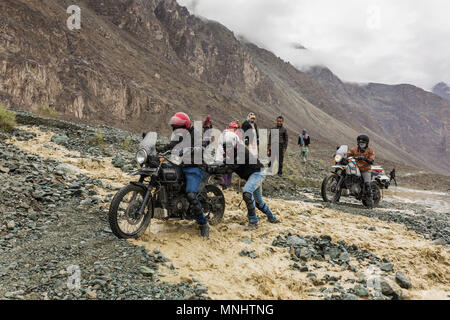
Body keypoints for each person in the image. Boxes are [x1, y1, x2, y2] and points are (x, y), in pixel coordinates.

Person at [157, 112, 210, 238]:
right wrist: (159, 150)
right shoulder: (180, 135)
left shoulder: (195, 134)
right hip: (182, 165)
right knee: (164, 179)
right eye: (174, 128)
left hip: (195, 167)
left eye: (177, 127)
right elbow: (171, 146)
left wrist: (193, 149)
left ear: (185, 126)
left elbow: (201, 146)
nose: (176, 130)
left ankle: (203, 223)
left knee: (191, 194)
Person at [214, 131, 279, 231]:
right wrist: (214, 167)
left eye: (229, 146)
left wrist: (215, 171)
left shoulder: (241, 152)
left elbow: (229, 169)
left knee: (247, 193)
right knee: (258, 202)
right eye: (225, 147)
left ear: (235, 144)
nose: (227, 149)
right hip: (253, 175)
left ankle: (253, 222)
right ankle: (272, 218)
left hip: (258, 173)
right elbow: (224, 164)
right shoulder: (232, 154)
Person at [347, 134, 375, 209]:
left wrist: (365, 159)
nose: (361, 144)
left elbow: (372, 160)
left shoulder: (370, 151)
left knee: (367, 184)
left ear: (366, 143)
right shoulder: (354, 149)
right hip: (355, 168)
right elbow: (348, 154)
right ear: (358, 143)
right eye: (360, 143)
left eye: (363, 143)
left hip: (365, 170)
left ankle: (370, 204)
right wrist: (341, 154)